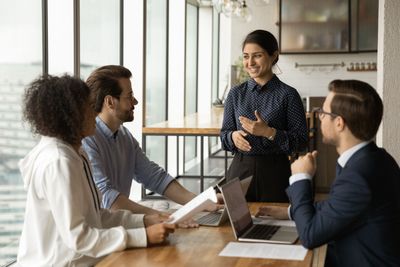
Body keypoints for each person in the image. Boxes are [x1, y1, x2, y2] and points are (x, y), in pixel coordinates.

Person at [17, 75, 175, 266]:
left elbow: (96, 216)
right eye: (89, 108)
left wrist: (144, 221)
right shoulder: (59, 162)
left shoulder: (75, 152)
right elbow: (79, 237)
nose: (95, 113)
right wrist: (142, 236)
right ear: (71, 115)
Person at [257, 80, 400, 266]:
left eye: (323, 112)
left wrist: (301, 177)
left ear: (339, 123)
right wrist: (291, 212)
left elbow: (309, 236)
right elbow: (338, 206)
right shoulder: (375, 159)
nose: (319, 118)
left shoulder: (359, 175)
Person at [82, 65, 216, 216]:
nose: (135, 101)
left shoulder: (124, 136)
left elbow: (154, 177)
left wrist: (202, 202)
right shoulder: (87, 141)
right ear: (110, 102)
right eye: (129, 96)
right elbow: (107, 198)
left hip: (120, 223)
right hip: (101, 230)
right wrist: (156, 216)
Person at [220, 30, 308, 202]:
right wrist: (232, 136)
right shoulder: (235, 94)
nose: (250, 62)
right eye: (246, 56)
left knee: (276, 226)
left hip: (275, 173)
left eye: (257, 56)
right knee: (235, 225)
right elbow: (224, 136)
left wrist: (269, 132)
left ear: (273, 56)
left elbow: (301, 142)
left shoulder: (288, 95)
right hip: (240, 170)